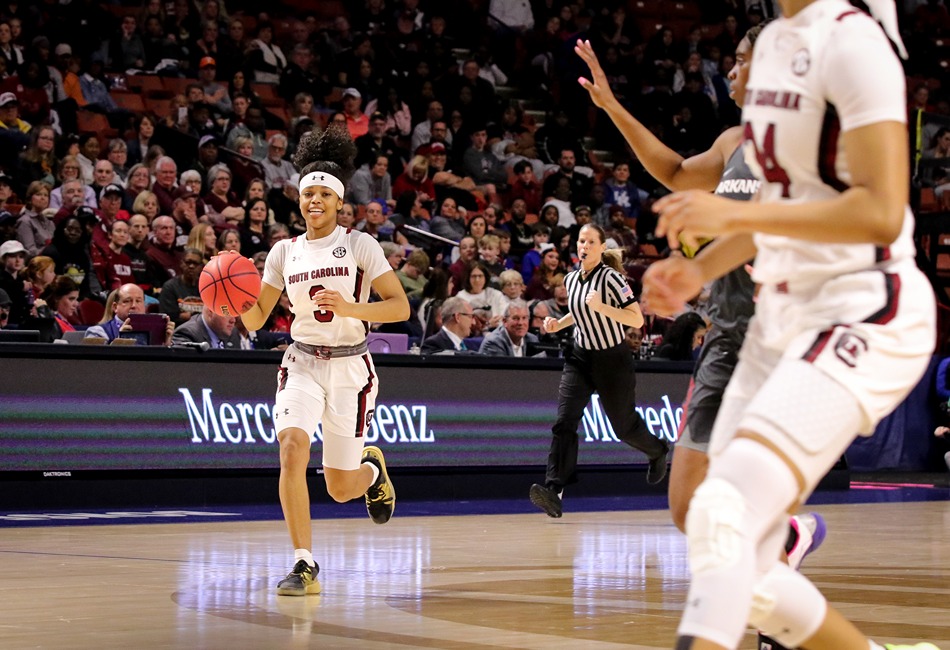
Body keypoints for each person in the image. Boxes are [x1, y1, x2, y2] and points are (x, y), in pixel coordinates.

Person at [639, 2, 939, 648]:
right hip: (778, 316)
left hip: (860, 306)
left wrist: (728, 220)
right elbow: (779, 204)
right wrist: (700, 270)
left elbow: (883, 213)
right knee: (737, 563)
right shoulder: (775, 41)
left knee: (723, 513)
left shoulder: (855, 43)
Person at [577, 26, 835, 650]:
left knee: (752, 498)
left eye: (745, 59)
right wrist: (613, 109)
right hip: (724, 340)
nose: (735, 69)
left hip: (784, 340)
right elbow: (671, 170)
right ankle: (784, 566)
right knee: (687, 507)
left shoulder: (807, 148)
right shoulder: (732, 142)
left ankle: (775, 608)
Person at [239, 125, 409, 597]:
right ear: (299, 200)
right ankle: (303, 562)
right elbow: (256, 319)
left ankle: (372, 470)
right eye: (307, 193)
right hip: (301, 362)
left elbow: (400, 308)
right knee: (292, 446)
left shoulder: (360, 246)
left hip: (352, 367)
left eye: (322, 194)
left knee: (339, 488)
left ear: (338, 203)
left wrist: (350, 306)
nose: (314, 200)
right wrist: (227, 297)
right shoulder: (283, 252)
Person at [529, 223, 670, 518]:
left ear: (602, 247)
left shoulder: (612, 278)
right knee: (564, 420)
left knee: (623, 426)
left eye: (590, 242)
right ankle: (554, 490)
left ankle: (657, 450)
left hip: (612, 360)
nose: (584, 246)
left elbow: (636, 320)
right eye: (581, 241)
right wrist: (559, 324)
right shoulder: (571, 278)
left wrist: (603, 308)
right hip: (580, 357)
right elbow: (579, 313)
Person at [172, 304, 242, 349]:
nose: (233, 320)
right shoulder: (187, 334)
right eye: (227, 314)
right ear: (210, 311)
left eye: (235, 314)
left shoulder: (234, 333)